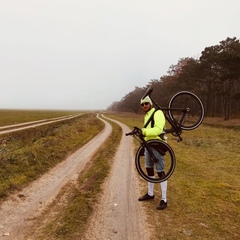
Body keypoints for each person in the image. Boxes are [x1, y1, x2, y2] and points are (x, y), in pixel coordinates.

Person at [138, 96, 168, 210]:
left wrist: (144, 131)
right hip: (148, 145)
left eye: (146, 103)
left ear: (150, 103)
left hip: (158, 145)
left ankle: (164, 199)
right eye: (142, 104)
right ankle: (150, 193)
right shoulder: (147, 115)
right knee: (149, 169)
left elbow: (158, 130)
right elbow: (147, 132)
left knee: (160, 171)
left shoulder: (157, 113)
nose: (144, 105)